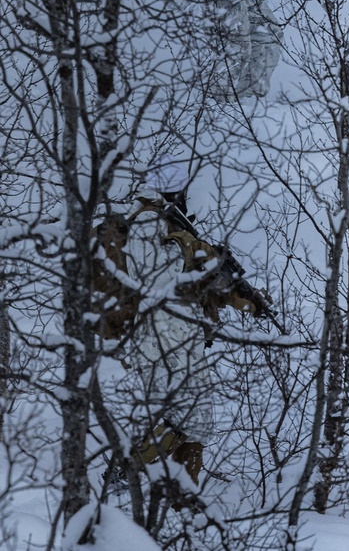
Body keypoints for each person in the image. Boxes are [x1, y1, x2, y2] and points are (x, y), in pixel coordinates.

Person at [123, 157, 262, 498]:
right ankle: (125, 472)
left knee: (196, 420)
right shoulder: (146, 221)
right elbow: (159, 277)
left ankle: (184, 496)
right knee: (190, 418)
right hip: (162, 330)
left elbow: (190, 280)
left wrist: (239, 296)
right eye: (180, 190)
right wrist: (195, 247)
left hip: (177, 329)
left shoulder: (167, 223)